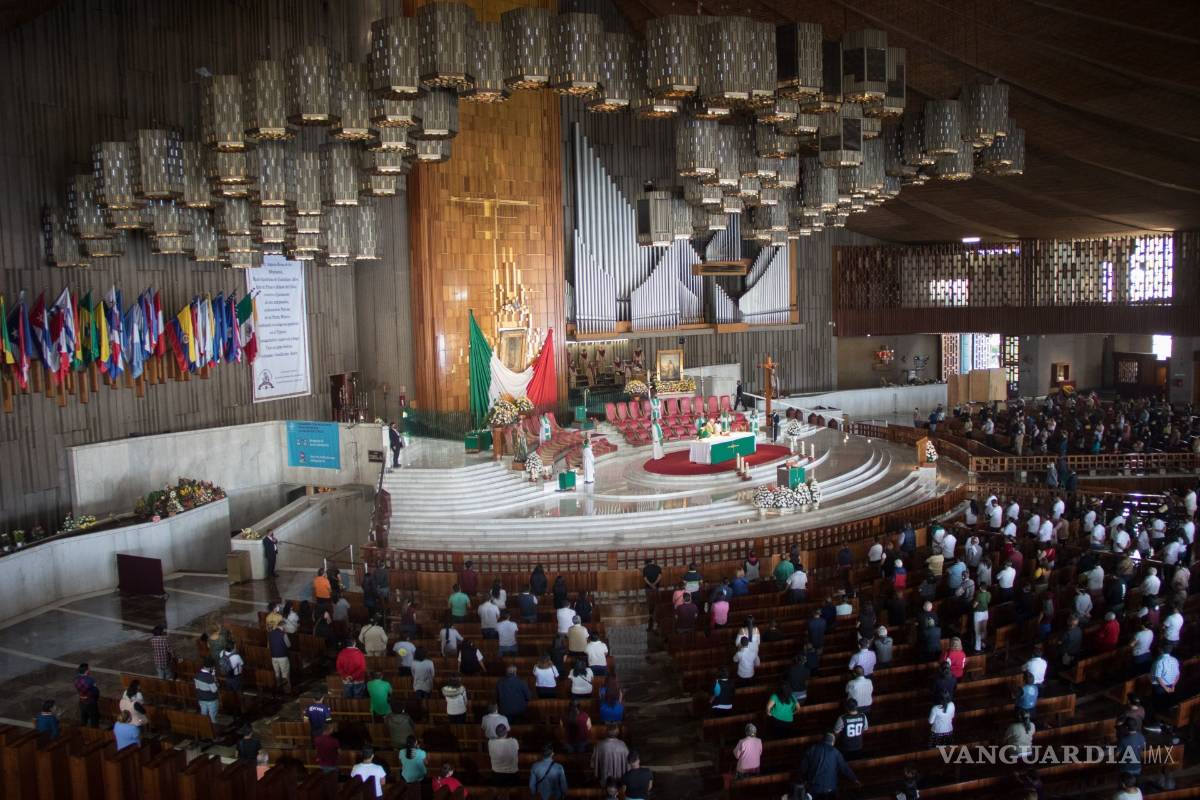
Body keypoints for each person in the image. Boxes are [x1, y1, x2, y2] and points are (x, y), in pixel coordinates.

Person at [799, 732, 860, 800]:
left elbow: (803, 767)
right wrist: (854, 778)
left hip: (814, 789)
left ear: (823, 740)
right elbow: (844, 768)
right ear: (833, 742)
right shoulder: (836, 752)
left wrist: (804, 779)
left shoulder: (812, 749)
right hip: (831, 788)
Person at [74, 663, 100, 728]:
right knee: (94, 718)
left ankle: (84, 730)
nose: (90, 670)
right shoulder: (90, 680)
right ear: (87, 671)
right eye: (89, 668)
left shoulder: (76, 679)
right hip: (90, 701)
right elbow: (96, 691)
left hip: (81, 701)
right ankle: (95, 732)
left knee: (83, 717)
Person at [195, 659, 220, 725]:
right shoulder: (210, 677)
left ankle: (205, 729)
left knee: (203, 715)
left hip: (201, 698)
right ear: (211, 667)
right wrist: (215, 680)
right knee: (212, 717)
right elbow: (214, 690)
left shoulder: (197, 674)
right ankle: (213, 731)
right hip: (211, 699)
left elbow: (197, 687)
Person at [268, 621, 291, 692]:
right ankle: (286, 690)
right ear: (283, 626)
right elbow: (289, 645)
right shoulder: (283, 634)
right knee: (285, 673)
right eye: (286, 627)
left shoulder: (271, 633)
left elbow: (269, 645)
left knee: (277, 673)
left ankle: (278, 689)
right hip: (282, 657)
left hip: (273, 657)